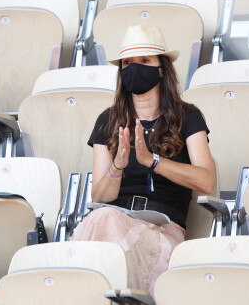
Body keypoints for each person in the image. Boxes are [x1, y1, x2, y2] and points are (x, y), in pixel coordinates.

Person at [71, 23, 215, 293]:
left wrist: (153, 162)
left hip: (163, 229)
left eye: (144, 60)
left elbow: (206, 180)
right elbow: (99, 197)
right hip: (115, 220)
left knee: (102, 227)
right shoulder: (108, 120)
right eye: (128, 63)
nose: (135, 69)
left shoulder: (188, 117)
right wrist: (118, 165)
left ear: (161, 68)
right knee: (104, 218)